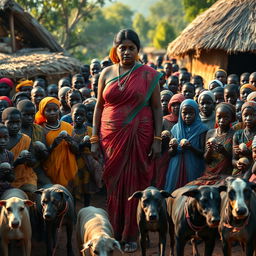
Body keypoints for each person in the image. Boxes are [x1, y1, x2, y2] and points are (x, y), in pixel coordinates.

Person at [92, 29, 162, 252]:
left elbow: (157, 107)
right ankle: (114, 229)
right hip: (110, 136)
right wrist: (94, 137)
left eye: (131, 47)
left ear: (138, 50)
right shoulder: (106, 73)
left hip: (140, 137)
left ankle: (132, 234)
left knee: (136, 185)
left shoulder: (149, 74)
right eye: (122, 47)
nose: (127, 51)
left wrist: (157, 138)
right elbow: (99, 107)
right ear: (115, 50)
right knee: (114, 184)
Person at [165, 99, 208, 192]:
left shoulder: (202, 129)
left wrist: (191, 147)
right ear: (180, 113)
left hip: (194, 166)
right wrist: (174, 147)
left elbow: (203, 153)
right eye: (184, 113)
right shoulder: (175, 129)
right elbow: (170, 153)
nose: (187, 116)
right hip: (176, 167)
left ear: (196, 113)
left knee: (193, 193)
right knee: (174, 193)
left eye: (191, 113)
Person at [34, 97, 78, 186]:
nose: (52, 113)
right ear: (42, 111)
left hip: (69, 168)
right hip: (51, 169)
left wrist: (70, 140)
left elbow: (77, 150)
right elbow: (41, 155)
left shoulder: (68, 127)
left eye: (55, 109)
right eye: (48, 110)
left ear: (59, 110)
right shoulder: (40, 129)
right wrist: (53, 145)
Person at [189, 103, 236, 185]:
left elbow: (234, 160)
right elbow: (206, 160)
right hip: (209, 174)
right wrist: (209, 150)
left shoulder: (234, 135)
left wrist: (224, 152)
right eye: (219, 117)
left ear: (232, 118)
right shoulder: (210, 133)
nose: (221, 120)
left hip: (225, 175)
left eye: (226, 117)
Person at [71, 103, 101, 206]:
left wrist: (89, 145)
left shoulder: (90, 130)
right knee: (75, 187)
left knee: (87, 187)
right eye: (76, 115)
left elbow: (96, 147)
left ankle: (87, 207)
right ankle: (74, 208)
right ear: (71, 115)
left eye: (82, 115)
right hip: (74, 163)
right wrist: (81, 145)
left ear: (85, 116)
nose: (79, 117)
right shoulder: (69, 130)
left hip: (88, 164)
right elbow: (70, 148)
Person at [2, 107, 37, 192]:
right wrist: (17, 162)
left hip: (26, 178)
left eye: (18, 123)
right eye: (11, 123)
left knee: (33, 193)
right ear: (3, 122)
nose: (15, 126)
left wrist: (28, 159)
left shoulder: (26, 139)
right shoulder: (2, 141)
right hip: (6, 180)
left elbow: (33, 162)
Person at [17, 100, 50, 186]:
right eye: (25, 115)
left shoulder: (39, 130)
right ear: (18, 114)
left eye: (32, 115)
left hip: (36, 168)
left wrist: (42, 151)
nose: (30, 118)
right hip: (18, 170)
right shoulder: (14, 131)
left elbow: (45, 155)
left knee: (50, 187)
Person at [232, 101, 256, 176]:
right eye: (245, 115)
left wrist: (248, 153)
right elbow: (233, 159)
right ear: (241, 116)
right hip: (240, 170)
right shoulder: (238, 134)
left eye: (252, 115)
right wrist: (237, 164)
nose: (248, 118)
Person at [0, 124, 14, 196]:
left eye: (5, 137)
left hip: (5, 188)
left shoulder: (9, 155)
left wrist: (8, 173)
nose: (2, 141)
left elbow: (11, 179)